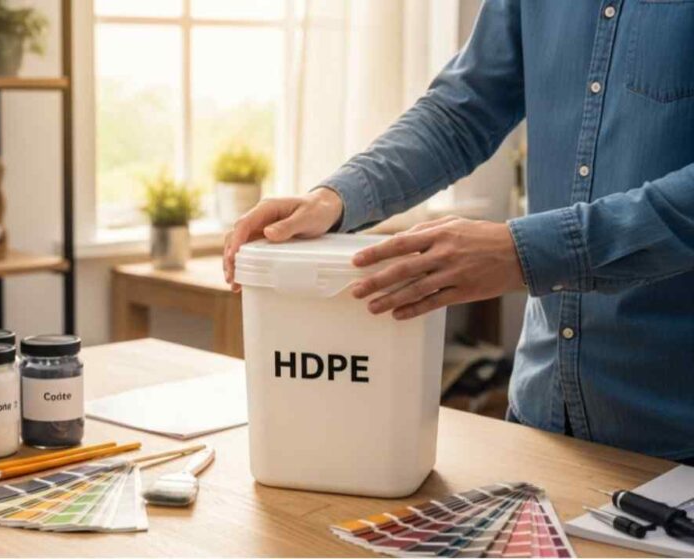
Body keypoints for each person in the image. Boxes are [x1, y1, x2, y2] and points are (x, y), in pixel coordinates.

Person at [223, 0, 694, 465]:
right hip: (541, 419)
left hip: (676, 437)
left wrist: (524, 252)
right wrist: (335, 198)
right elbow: (463, 111)